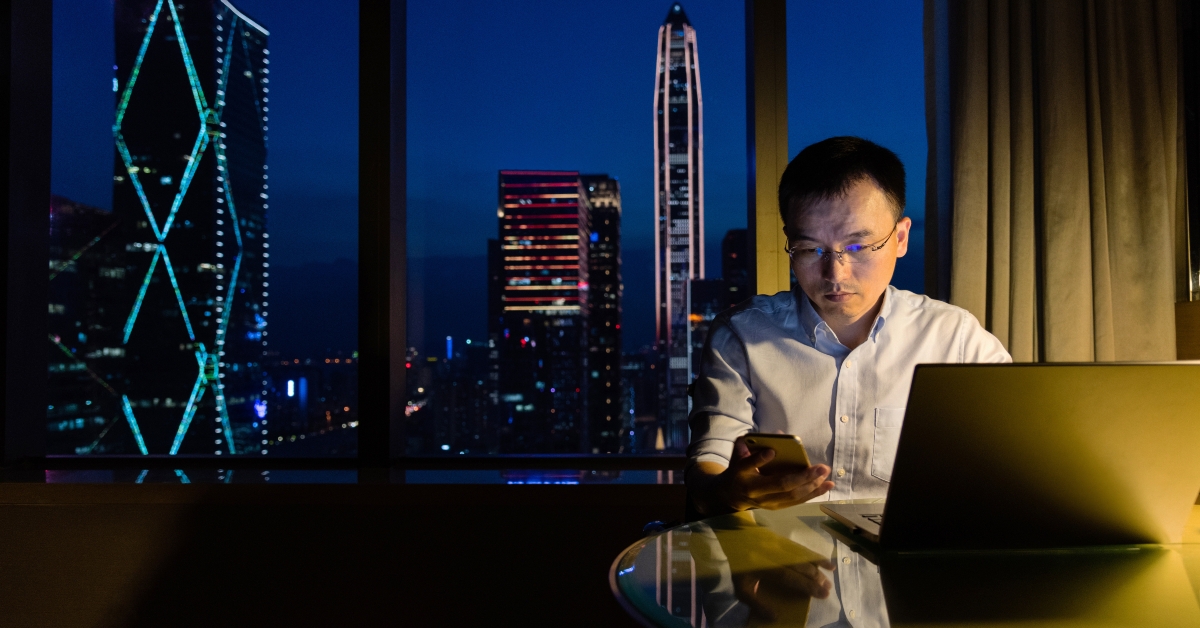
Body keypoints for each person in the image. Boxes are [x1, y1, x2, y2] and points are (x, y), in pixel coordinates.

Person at [686, 136, 1011, 516]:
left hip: (906, 562)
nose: (835, 273)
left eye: (858, 247)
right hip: (777, 559)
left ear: (901, 238)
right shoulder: (743, 335)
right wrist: (731, 492)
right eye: (810, 250)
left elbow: (1016, 456)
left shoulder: (955, 340)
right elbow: (709, 463)